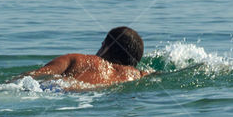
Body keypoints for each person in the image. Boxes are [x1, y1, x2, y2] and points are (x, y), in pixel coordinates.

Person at [16, 26, 148, 87]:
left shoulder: (77, 60)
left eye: (102, 45)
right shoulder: (136, 75)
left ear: (105, 48)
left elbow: (34, 75)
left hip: (60, 88)